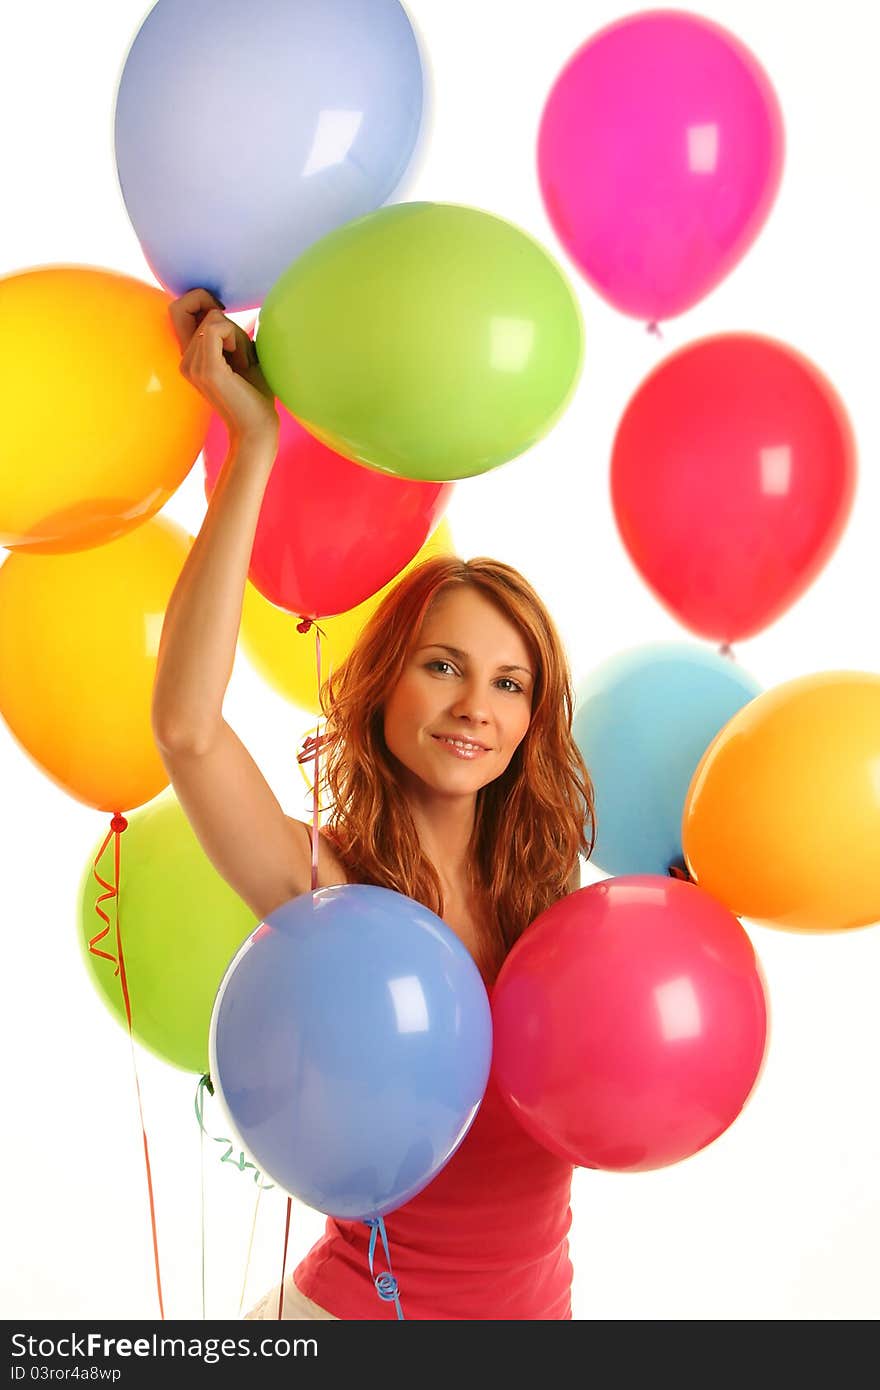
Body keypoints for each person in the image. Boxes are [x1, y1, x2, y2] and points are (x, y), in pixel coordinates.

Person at [152, 289, 596, 1321]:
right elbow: (188, 730)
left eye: (508, 682)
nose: (473, 707)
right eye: (441, 665)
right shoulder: (326, 888)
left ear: (531, 717)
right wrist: (249, 448)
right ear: (387, 680)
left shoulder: (549, 898)